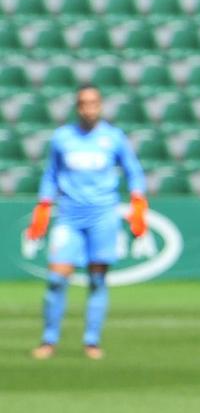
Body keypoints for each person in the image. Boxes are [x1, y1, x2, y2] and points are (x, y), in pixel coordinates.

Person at [26, 85, 145, 361]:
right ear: (77, 106)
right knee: (56, 278)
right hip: (69, 214)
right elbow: (51, 174)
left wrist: (138, 201)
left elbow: (133, 170)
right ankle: (49, 339)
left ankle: (91, 341)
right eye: (83, 103)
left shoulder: (113, 138)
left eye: (93, 103)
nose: (88, 108)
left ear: (100, 106)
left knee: (97, 279)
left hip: (103, 214)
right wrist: (44, 204)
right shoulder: (62, 138)